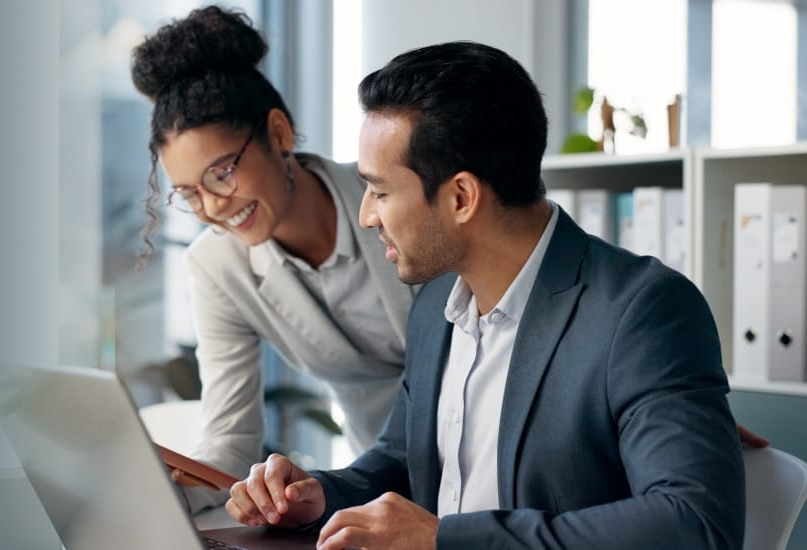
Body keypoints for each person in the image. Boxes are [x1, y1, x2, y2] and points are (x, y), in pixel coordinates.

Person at [226, 41, 747, 549]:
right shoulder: (436, 304)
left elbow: (694, 524)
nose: (366, 215)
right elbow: (403, 460)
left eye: (380, 191)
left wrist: (445, 539)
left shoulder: (642, 311)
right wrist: (317, 496)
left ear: (461, 197)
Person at [129, 6, 415, 513]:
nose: (213, 208)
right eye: (189, 194)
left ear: (278, 133)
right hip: (374, 488)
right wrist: (165, 499)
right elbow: (230, 437)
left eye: (221, 173)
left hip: (486, 460)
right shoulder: (218, 266)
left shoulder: (397, 197)